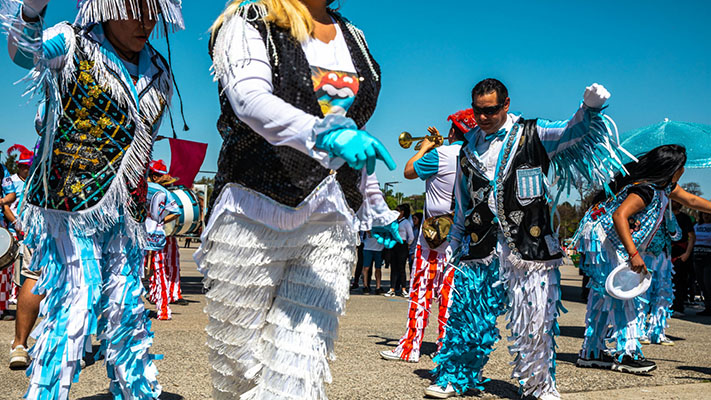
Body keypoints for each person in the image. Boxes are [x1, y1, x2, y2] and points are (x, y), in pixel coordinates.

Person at [195, 1, 401, 398]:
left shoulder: (354, 37)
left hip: (329, 219)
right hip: (252, 210)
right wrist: (322, 135)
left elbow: (351, 138)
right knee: (238, 365)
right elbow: (249, 99)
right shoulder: (249, 20)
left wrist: (377, 208)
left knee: (298, 366)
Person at [2, 0, 184, 397]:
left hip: (125, 214)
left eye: (153, 11)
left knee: (127, 307)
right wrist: (31, 13)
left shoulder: (158, 69)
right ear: (107, 7)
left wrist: (153, 195)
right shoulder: (72, 43)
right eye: (135, 9)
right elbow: (24, 54)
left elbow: (135, 150)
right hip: (70, 206)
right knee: (76, 300)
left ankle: (137, 391)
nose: (146, 21)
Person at [428, 78, 626, 400]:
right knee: (467, 319)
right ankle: (456, 377)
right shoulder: (466, 150)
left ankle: (539, 386)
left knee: (535, 324)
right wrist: (453, 241)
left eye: (490, 110)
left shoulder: (533, 133)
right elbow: (463, 204)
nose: (483, 117)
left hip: (529, 251)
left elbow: (572, 132)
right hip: (481, 251)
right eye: (478, 111)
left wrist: (589, 109)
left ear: (505, 105)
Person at [574, 145, 711, 376]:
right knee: (626, 295)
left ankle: (592, 351)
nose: (684, 169)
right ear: (672, 167)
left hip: (602, 240)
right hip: (606, 243)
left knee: (603, 294)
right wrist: (633, 254)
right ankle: (627, 353)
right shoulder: (646, 189)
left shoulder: (664, 187)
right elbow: (620, 215)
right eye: (682, 165)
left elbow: (693, 201)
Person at [380, 109, 470, 363]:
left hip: (432, 236)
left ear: (453, 131)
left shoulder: (440, 154)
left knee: (421, 291)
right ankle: (446, 349)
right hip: (459, 236)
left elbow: (409, 171)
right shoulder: (475, 156)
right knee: (450, 297)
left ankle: (410, 348)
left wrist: (424, 148)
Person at [4, 144, 45, 369]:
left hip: (44, 214)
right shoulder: (12, 180)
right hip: (80, 210)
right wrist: (19, 226)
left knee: (35, 274)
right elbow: (9, 204)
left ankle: (19, 345)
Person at [143, 160, 182, 320]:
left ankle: (134, 311)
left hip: (139, 235)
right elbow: (176, 211)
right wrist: (160, 220)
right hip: (157, 236)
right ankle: (163, 311)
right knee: (159, 272)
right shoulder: (164, 192)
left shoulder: (140, 188)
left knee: (134, 273)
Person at [637, 208, 680, 345]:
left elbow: (677, 236)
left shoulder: (669, 213)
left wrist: (671, 226)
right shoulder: (641, 211)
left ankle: (658, 332)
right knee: (642, 293)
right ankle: (638, 331)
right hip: (645, 255)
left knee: (663, 294)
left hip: (663, 258)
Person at [671, 200, 696, 316]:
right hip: (665, 252)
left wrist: (687, 253)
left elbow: (692, 237)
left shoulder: (685, 218)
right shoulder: (665, 215)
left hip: (681, 253)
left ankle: (678, 307)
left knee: (679, 281)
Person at [384, 204, 415, 297]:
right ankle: (392, 288)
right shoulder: (393, 222)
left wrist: (407, 245)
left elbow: (411, 236)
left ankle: (403, 289)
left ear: (402, 212)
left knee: (401, 268)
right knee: (393, 267)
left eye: (398, 211)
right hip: (393, 245)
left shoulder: (406, 223)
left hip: (402, 244)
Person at [693, 211, 711, 316]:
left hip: (709, 258)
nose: (706, 216)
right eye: (704, 214)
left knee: (708, 282)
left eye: (708, 214)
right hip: (697, 256)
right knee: (702, 283)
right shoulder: (696, 226)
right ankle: (707, 307)